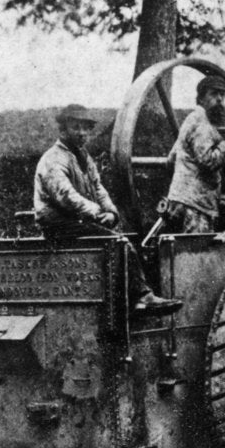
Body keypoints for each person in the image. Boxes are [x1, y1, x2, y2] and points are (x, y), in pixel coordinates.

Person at [34, 104, 181, 315]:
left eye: (86, 128)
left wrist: (111, 212)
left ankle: (129, 301)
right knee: (119, 244)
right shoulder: (53, 159)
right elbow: (66, 195)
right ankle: (141, 297)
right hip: (59, 226)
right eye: (76, 127)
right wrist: (96, 212)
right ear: (63, 130)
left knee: (125, 240)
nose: (82, 133)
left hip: (78, 224)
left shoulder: (83, 157)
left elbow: (98, 188)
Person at [165, 75, 225, 233]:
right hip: (195, 205)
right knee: (198, 248)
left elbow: (171, 159)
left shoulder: (192, 119)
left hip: (179, 200)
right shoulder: (202, 123)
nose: (220, 99)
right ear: (201, 98)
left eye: (222, 94)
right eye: (214, 93)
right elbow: (209, 162)